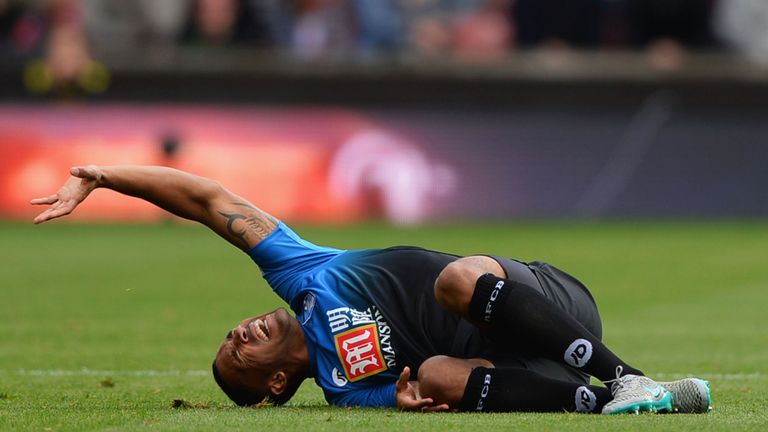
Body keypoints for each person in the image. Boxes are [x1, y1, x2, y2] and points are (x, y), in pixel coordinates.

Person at [31, 165, 712, 414]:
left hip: (552, 307)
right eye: (237, 354)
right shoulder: (345, 387)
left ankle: (629, 377)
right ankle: (603, 403)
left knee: (457, 278)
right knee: (440, 374)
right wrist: (419, 396)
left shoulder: (300, 270)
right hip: (526, 367)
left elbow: (208, 200)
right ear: (275, 386)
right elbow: (421, 390)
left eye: (229, 335)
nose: (237, 333)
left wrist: (102, 177)